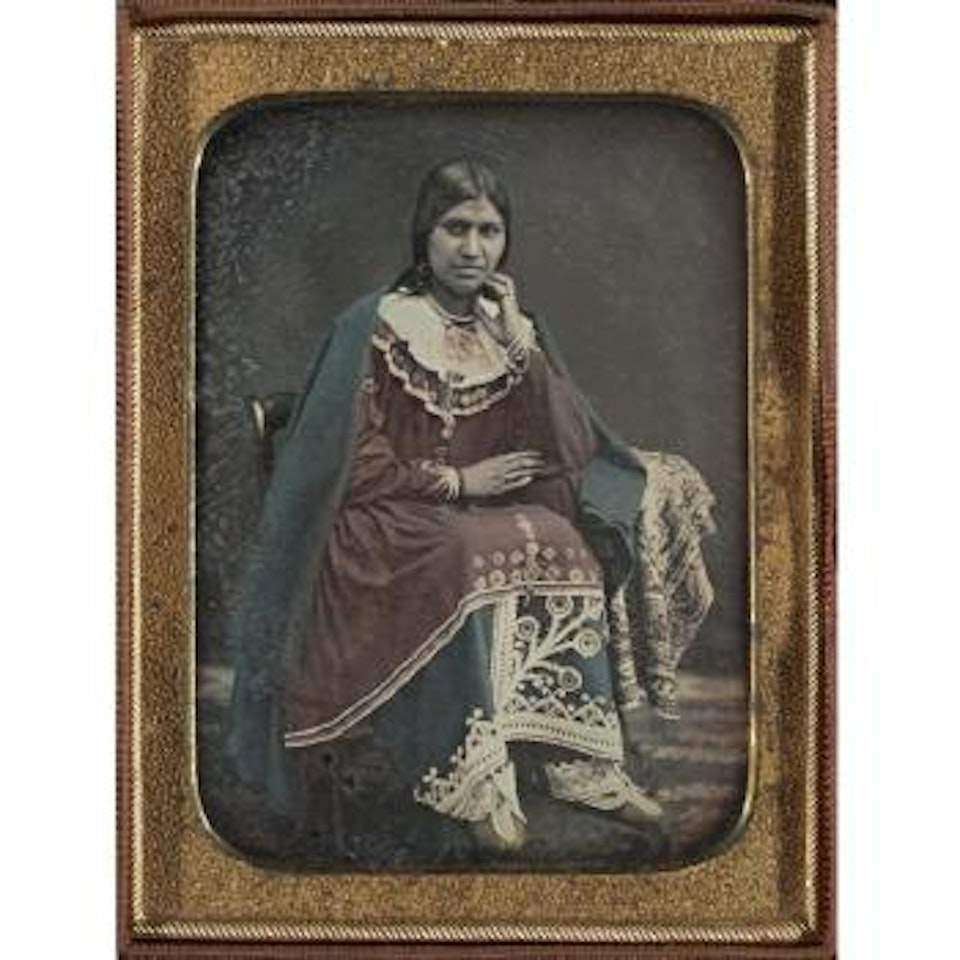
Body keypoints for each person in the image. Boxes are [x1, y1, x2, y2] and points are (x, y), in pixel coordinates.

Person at [227, 158, 665, 854]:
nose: (472, 248)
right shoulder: (377, 323)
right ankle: (475, 778)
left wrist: (517, 341)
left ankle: (575, 762)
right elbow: (353, 461)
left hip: (463, 518)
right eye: (455, 228)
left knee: (561, 538)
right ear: (424, 236)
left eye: (489, 231)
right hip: (377, 520)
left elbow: (571, 449)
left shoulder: (511, 331)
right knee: (467, 550)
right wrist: (459, 483)